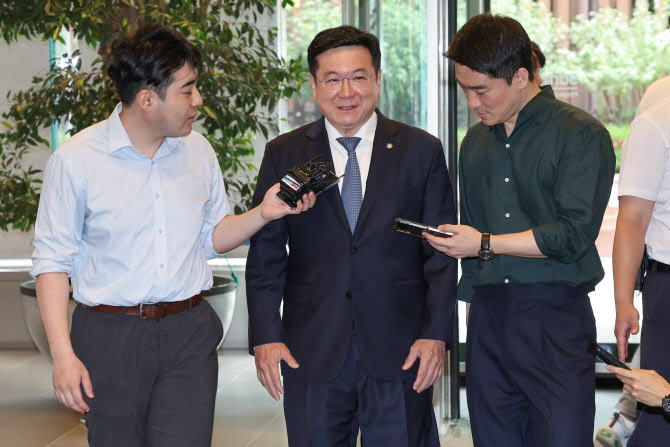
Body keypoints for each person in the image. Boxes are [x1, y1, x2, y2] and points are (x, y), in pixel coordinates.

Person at [30, 24, 315, 447]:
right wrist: (63, 355)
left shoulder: (198, 151)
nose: (197, 101)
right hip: (109, 334)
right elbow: (52, 263)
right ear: (147, 99)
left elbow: (211, 236)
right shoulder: (75, 161)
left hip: (189, 330)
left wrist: (262, 213)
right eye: (187, 89)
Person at [245, 25, 457, 446]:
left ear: (377, 79)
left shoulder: (421, 150)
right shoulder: (284, 153)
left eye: (358, 77)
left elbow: (440, 252)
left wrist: (436, 333)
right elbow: (266, 254)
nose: (346, 91)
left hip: (401, 348)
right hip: (312, 346)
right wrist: (266, 336)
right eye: (333, 79)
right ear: (314, 84)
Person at [426, 13, 615, 446]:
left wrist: (485, 244)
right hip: (489, 319)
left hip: (554, 316)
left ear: (520, 76)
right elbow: (473, 253)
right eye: (464, 89)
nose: (473, 102)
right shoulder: (474, 143)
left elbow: (572, 235)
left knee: (561, 438)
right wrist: (474, 316)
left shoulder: (580, 134)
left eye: (481, 89)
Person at [611, 74, 670, 445]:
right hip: (668, 281)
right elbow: (632, 218)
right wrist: (623, 301)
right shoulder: (657, 116)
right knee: (660, 410)